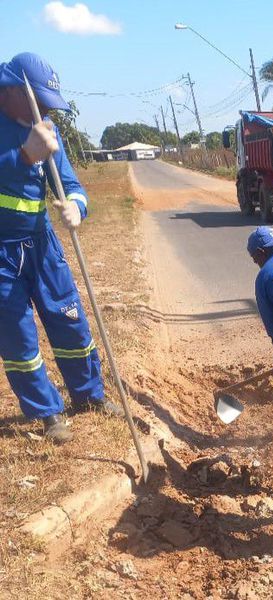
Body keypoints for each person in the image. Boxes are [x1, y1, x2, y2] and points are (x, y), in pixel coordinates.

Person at [0, 53, 122, 444]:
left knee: (70, 319)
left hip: (41, 244)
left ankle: (89, 396)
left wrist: (76, 207)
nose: (48, 108)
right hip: (2, 253)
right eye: (41, 99)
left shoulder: (47, 129)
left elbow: (70, 183)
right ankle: (48, 413)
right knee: (18, 336)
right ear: (15, 91)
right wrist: (21, 157)